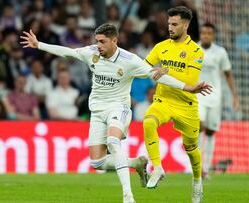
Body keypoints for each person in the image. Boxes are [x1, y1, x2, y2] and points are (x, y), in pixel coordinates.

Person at [21, 23, 211, 203]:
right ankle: (137, 163)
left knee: (113, 143)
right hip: (97, 112)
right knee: (97, 163)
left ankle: (127, 196)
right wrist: (39, 45)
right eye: (97, 41)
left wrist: (188, 87)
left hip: (118, 108)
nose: (98, 45)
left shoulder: (130, 61)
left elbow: (158, 76)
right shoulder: (91, 53)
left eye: (102, 41)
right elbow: (68, 52)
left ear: (114, 41)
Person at [142, 6, 206, 203]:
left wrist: (165, 71)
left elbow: (190, 80)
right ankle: (157, 168)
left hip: (186, 105)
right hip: (164, 100)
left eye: (175, 24)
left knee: (191, 149)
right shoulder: (160, 47)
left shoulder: (196, 51)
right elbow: (144, 68)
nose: (170, 27)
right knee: (148, 122)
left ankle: (197, 181)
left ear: (186, 25)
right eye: (169, 23)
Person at [197, 22, 240, 179]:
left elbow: (228, 74)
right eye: (204, 33)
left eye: (209, 33)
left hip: (215, 97)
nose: (206, 35)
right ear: (200, 34)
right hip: (198, 95)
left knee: (210, 132)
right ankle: (197, 166)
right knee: (199, 126)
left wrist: (235, 96)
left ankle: (206, 169)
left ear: (213, 35)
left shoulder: (220, 52)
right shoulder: (193, 49)